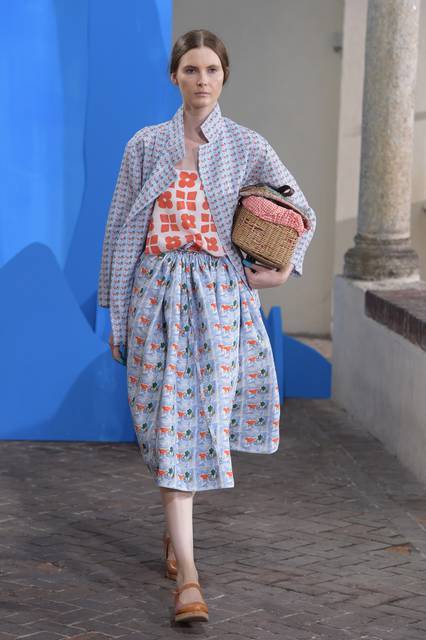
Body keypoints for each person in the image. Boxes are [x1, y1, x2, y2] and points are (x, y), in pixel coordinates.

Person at [98, 28, 316, 624]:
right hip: (155, 296)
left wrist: (282, 269)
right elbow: (120, 232)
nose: (202, 80)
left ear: (224, 77)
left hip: (220, 301)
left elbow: (302, 211)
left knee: (198, 423)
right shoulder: (146, 144)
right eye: (191, 69)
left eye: (212, 70)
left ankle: (184, 558)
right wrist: (117, 316)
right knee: (167, 423)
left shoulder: (246, 145)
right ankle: (187, 566)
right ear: (175, 75)